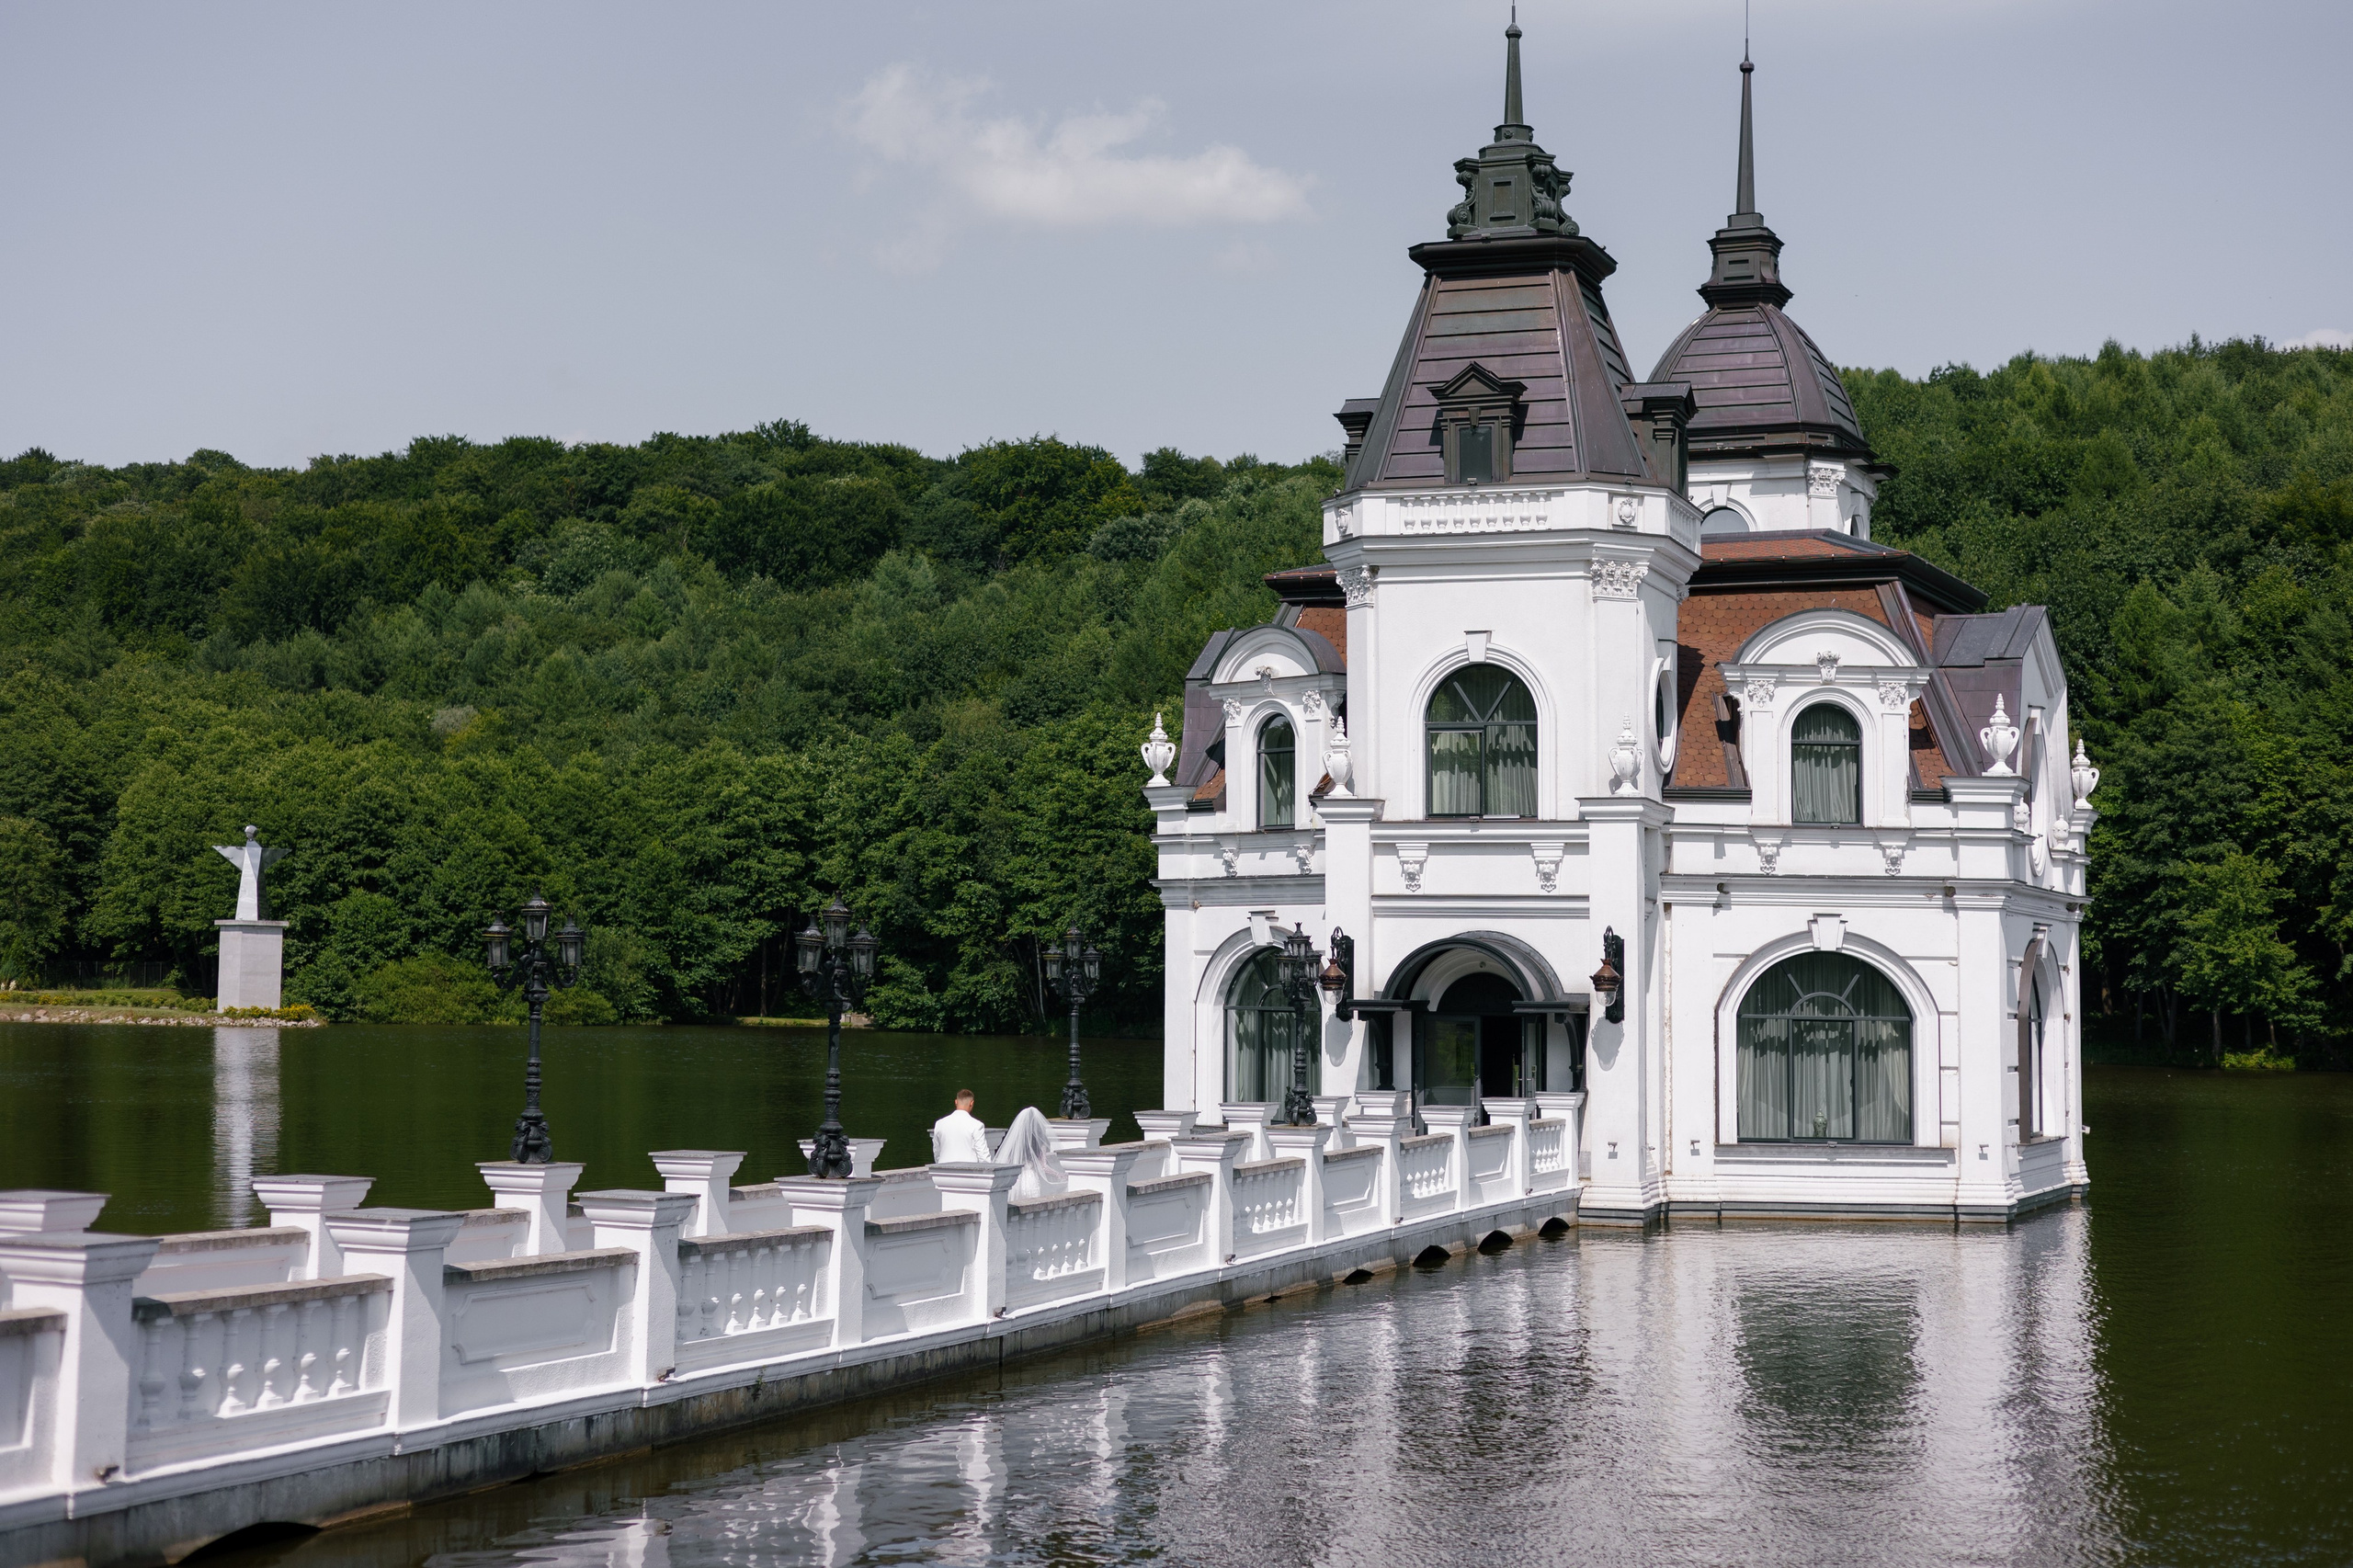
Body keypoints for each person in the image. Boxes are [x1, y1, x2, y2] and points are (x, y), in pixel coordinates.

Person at [999, 1106, 1068, 1199]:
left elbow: (1007, 1161)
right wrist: (1059, 1175)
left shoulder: (1015, 1141)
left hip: (1017, 1182)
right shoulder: (1040, 1144)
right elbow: (1043, 1166)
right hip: (1030, 1181)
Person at [930, 1089, 993, 1165]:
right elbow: (983, 1156)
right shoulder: (977, 1125)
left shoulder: (939, 1123)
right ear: (972, 1103)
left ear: (956, 1102)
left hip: (943, 1171)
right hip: (968, 1172)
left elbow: (937, 1152)